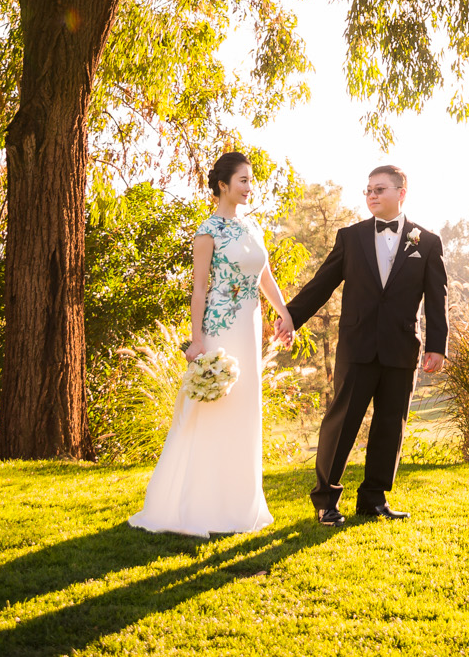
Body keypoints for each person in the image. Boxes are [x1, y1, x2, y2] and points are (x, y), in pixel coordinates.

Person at [128, 151, 293, 537]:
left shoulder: (253, 227)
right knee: (214, 410)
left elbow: (264, 278)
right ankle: (199, 507)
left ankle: (240, 505)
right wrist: (197, 340)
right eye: (244, 181)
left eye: (251, 180)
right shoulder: (208, 231)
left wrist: (284, 314)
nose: (250, 188)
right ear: (223, 185)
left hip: (249, 330)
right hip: (220, 330)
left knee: (244, 412)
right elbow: (199, 289)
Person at [280, 164, 448, 526]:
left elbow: (437, 298)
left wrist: (437, 345)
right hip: (357, 346)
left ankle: (373, 499)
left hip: (401, 347)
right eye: (368, 190)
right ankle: (326, 501)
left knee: (391, 425)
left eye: (380, 189)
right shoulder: (351, 237)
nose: (372, 195)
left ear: (401, 193)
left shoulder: (427, 242)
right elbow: (321, 284)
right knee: (341, 423)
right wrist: (291, 316)